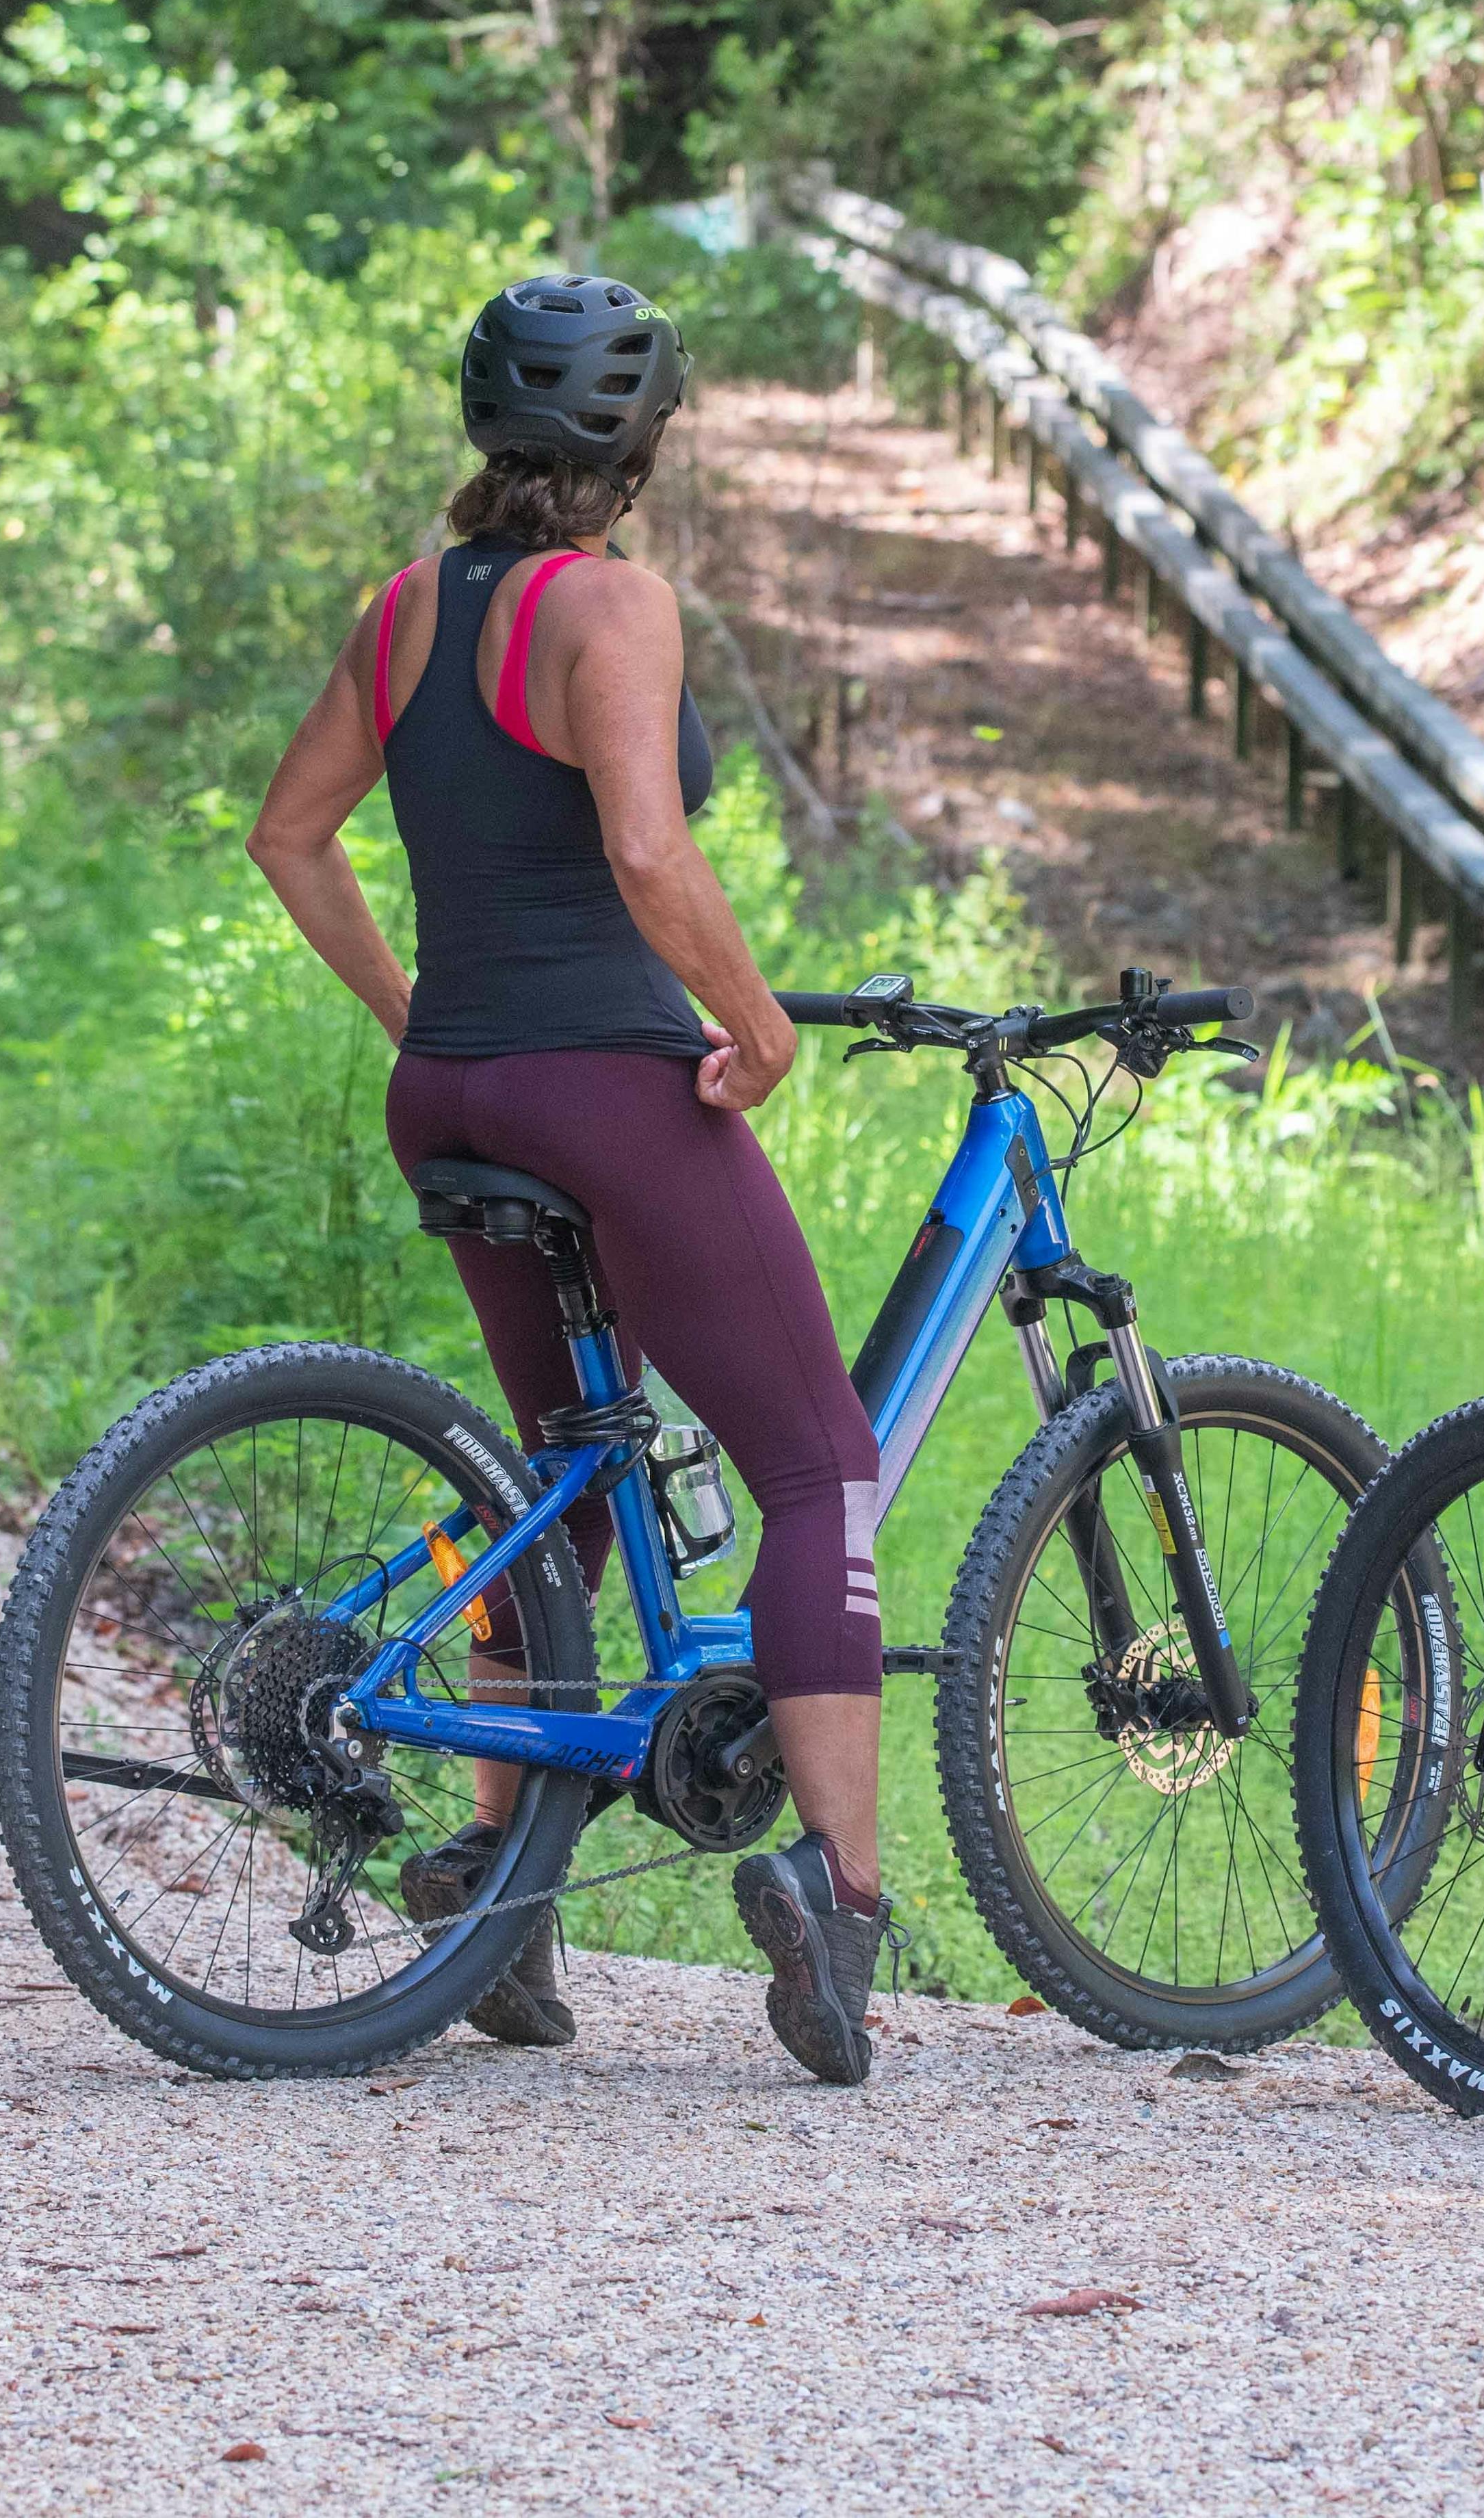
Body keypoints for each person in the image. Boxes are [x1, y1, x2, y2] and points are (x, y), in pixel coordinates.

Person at [244, 271, 894, 2086]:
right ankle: (840, 1900)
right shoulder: (612, 604)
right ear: (644, 444)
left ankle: (504, 1911)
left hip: (452, 1089)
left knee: (569, 1494)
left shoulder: (402, 614)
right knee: (822, 1470)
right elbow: (643, 846)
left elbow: (287, 835)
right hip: (606, 1091)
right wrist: (757, 1031)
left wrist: (415, 1011)